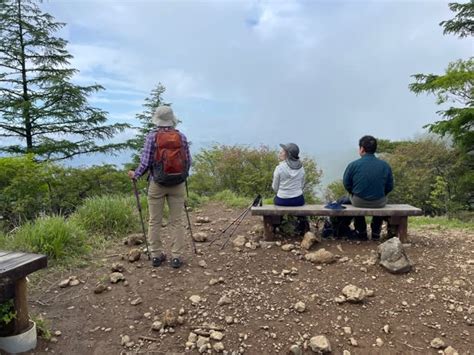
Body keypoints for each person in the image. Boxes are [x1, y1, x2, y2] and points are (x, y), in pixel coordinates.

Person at [128, 106, 191, 268]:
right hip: (178, 184)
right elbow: (188, 161)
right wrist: (182, 177)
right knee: (177, 221)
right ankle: (176, 257)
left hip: (157, 183)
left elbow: (146, 162)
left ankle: (156, 255)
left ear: (157, 120)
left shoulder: (152, 137)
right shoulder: (181, 137)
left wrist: (135, 174)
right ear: (172, 119)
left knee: (154, 220)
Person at [342, 135, 394, 240]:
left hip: (358, 202)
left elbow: (346, 183)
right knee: (378, 200)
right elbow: (389, 186)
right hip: (379, 202)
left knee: (352, 200)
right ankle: (375, 232)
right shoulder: (385, 165)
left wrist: (354, 192)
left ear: (362, 149)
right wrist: (380, 194)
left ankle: (361, 232)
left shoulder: (353, 165)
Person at [272, 143, 308, 234]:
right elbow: (302, 185)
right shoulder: (301, 168)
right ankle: (302, 226)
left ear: (288, 155)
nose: (280, 152)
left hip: (281, 200)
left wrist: (281, 193)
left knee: (275, 201)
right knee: (302, 203)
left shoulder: (279, 168)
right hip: (298, 200)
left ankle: (277, 225)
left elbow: (274, 187)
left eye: (283, 151)